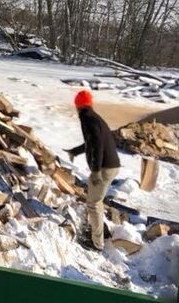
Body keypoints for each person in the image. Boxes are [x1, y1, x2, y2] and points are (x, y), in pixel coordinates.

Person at [65, 89, 120, 251]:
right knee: (96, 200)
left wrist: (96, 171)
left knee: (93, 203)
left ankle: (97, 243)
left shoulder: (87, 118)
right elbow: (92, 141)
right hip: (110, 165)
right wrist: (75, 151)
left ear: (78, 105)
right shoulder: (93, 117)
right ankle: (101, 234)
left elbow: (97, 144)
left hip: (104, 167)